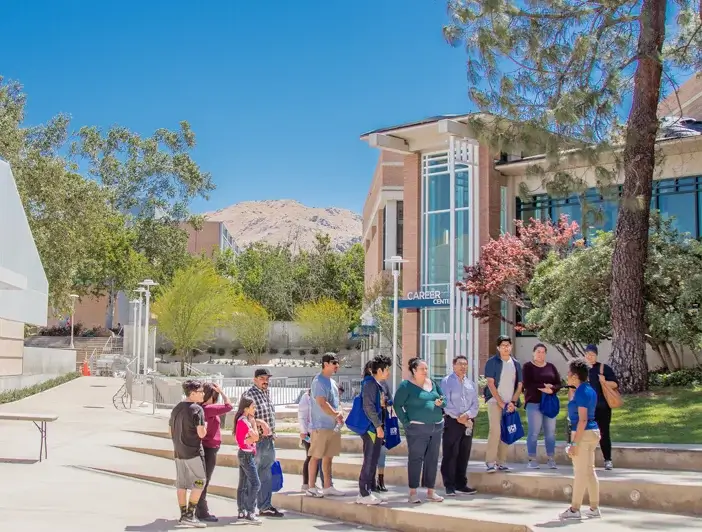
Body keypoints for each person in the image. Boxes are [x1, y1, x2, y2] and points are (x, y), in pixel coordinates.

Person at [393, 358, 445, 504]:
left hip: (436, 426)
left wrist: (441, 403)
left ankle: (431, 491)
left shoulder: (433, 383)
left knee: (433, 459)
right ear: (414, 370)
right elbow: (397, 405)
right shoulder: (406, 386)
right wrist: (406, 422)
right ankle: (413, 492)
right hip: (417, 428)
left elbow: (443, 398)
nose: (425, 371)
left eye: (426, 368)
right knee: (416, 459)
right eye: (422, 369)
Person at [559, 358, 602, 520]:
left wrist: (574, 443)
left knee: (580, 473)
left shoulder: (582, 392)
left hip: (583, 434)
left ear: (575, 376)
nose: (567, 375)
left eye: (569, 373)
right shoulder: (587, 389)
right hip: (592, 433)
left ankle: (575, 509)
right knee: (590, 471)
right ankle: (594, 507)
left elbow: (582, 419)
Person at [242, 369, 283, 518]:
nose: (265, 381)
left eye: (267, 378)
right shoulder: (249, 395)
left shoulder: (266, 394)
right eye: (262, 378)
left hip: (268, 440)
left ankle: (265, 506)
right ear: (254, 379)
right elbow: (243, 416)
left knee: (266, 474)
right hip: (256, 442)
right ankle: (247, 508)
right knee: (252, 475)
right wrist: (259, 422)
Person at [169, 379, 207, 528]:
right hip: (193, 452)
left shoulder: (176, 408)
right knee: (200, 481)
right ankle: (190, 515)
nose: (203, 394)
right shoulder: (197, 409)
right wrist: (205, 427)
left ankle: (183, 515)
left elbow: (170, 430)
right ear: (192, 393)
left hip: (179, 452)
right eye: (200, 392)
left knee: (182, 484)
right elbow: (201, 433)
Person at [306, 353, 345, 498]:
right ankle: (311, 487)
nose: (337, 366)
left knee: (329, 457)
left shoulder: (333, 382)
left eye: (337, 363)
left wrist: (340, 413)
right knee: (316, 456)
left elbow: (336, 401)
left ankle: (328, 486)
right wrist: (336, 414)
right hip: (320, 425)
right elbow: (322, 402)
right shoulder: (318, 381)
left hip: (332, 426)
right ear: (325, 363)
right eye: (334, 363)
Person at [484, 335, 523, 473]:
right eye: (503, 346)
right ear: (498, 348)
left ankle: (501, 462)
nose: (506, 348)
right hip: (495, 401)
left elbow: (519, 385)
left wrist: (512, 402)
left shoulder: (516, 363)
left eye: (508, 345)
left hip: (509, 403)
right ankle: (490, 462)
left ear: (511, 347)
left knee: (507, 430)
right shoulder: (492, 362)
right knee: (495, 430)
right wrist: (500, 402)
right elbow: (490, 383)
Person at [440, 355, 479, 496]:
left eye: (465, 364)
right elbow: (445, 402)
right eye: (460, 364)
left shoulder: (471, 384)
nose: (463, 367)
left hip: (468, 422)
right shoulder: (446, 381)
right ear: (453, 365)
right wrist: (458, 417)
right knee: (450, 453)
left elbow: (476, 403)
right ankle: (449, 485)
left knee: (464, 453)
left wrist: (467, 415)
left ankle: (461, 484)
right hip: (452, 421)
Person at [356, 355, 391, 505]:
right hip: (371, 428)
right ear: (380, 370)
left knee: (374, 458)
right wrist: (378, 426)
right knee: (369, 459)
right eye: (387, 369)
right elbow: (368, 407)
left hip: (376, 427)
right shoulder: (370, 384)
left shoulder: (378, 384)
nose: (388, 372)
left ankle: (370, 490)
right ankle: (363, 492)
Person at [195, 382, 233, 522]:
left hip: (208, 447)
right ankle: (202, 511)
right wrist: (222, 392)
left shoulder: (202, 408)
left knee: (202, 479)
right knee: (204, 480)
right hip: (209, 448)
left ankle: (196, 508)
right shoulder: (208, 408)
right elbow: (229, 406)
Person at [522, 343, 562, 469]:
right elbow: (527, 384)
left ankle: (551, 458)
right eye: (538, 351)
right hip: (533, 403)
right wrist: (543, 388)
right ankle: (532, 459)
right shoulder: (527, 367)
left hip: (549, 402)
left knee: (550, 433)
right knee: (534, 432)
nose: (540, 354)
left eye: (543, 352)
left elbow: (558, 383)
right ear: (533, 353)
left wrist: (552, 389)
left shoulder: (551, 367)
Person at [584, 345, 618, 470]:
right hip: (586, 409)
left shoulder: (604, 368)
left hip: (603, 407)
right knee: (586, 435)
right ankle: (587, 461)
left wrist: (604, 381)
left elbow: (615, 384)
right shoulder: (582, 370)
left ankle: (607, 460)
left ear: (596, 355)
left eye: (592, 354)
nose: (590, 356)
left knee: (604, 433)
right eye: (587, 354)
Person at [235, 396, 263, 524]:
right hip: (246, 455)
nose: (255, 409)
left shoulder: (243, 420)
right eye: (253, 407)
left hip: (245, 453)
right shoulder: (245, 422)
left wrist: (250, 439)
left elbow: (251, 439)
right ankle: (250, 511)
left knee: (243, 484)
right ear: (246, 408)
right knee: (256, 483)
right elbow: (255, 437)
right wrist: (253, 424)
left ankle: (241, 511)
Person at [298, 388, 325, 490]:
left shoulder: (319, 396)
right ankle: (306, 484)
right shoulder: (306, 397)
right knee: (310, 457)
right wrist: (303, 431)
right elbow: (302, 416)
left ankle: (311, 482)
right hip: (309, 432)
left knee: (316, 458)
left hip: (318, 431)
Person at [375, 370, 393, 493]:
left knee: (382, 453)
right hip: (373, 423)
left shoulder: (385, 384)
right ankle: (372, 480)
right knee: (372, 454)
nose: (388, 372)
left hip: (383, 421)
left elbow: (391, 400)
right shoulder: (371, 384)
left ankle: (381, 480)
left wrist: (385, 402)